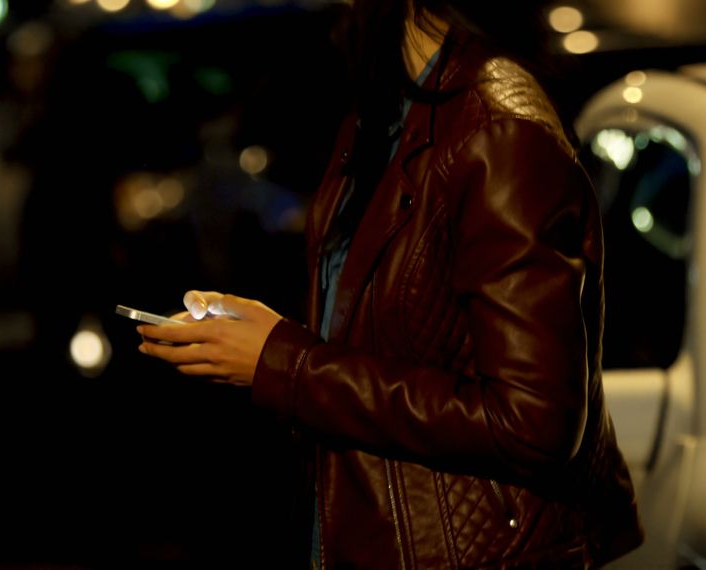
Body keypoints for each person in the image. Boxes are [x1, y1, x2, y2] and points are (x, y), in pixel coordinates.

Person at [136, 0, 644, 567]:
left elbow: (533, 422)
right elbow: (392, 339)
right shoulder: (388, 109)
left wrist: (287, 363)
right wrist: (258, 338)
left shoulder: (499, 132)